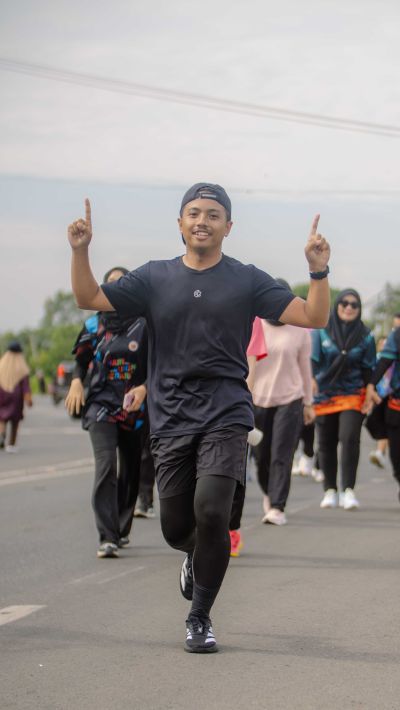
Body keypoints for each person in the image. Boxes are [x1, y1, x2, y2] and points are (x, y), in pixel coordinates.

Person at [67, 184, 331, 653]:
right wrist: (80, 250)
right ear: (180, 223)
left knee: (212, 511)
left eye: (212, 214)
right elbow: (88, 297)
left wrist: (318, 271)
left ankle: (200, 617)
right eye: (193, 213)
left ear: (229, 226)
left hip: (226, 411)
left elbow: (313, 316)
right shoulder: (154, 277)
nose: (202, 221)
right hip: (170, 415)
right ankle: (195, 554)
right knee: (175, 528)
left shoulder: (246, 279)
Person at [65, 266, 149, 559]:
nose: (117, 288)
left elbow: (159, 364)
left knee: (131, 469)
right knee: (106, 465)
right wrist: (76, 381)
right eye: (112, 283)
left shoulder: (144, 324)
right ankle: (107, 536)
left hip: (134, 406)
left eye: (123, 283)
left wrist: (145, 387)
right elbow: (81, 359)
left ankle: (121, 528)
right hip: (100, 404)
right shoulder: (94, 324)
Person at [250, 282, 315, 526]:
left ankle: (277, 506)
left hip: (290, 398)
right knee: (261, 456)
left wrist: (308, 403)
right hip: (257, 399)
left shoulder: (300, 329)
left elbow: (305, 368)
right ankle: (269, 492)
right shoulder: (254, 324)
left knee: (282, 453)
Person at [312, 289, 376, 510]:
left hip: (353, 394)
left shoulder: (366, 336)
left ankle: (348, 490)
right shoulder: (322, 331)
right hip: (325, 394)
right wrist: (309, 384)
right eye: (344, 303)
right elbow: (313, 361)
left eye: (354, 305)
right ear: (337, 305)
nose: (349, 307)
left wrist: (370, 392)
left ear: (359, 309)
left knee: (349, 438)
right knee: (326, 442)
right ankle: (330, 490)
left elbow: (369, 368)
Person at [365, 326, 400, 502]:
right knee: (396, 456)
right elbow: (385, 360)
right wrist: (371, 385)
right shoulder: (397, 334)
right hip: (397, 406)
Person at [0, 341, 32, 452]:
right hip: (16, 399)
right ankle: (11, 444)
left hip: (2, 396)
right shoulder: (22, 368)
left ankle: (1, 433)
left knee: (1, 418)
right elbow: (26, 387)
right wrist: (29, 401)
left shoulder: (2, 365)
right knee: (15, 422)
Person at [366, 336, 390, 469]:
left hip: (391, 396)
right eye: (382, 344)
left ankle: (381, 452)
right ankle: (381, 452)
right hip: (378, 395)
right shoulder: (376, 359)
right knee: (383, 424)